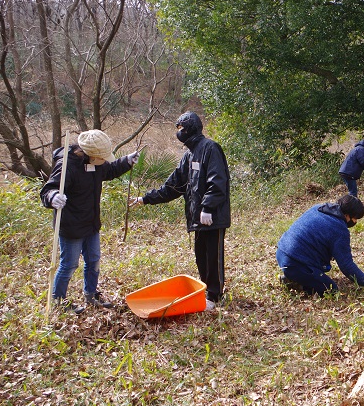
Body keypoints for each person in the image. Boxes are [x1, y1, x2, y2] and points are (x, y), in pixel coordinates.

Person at [129, 112, 231, 311]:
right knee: (201, 256)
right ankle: (207, 291)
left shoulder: (210, 148)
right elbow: (174, 186)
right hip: (197, 216)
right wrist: (145, 199)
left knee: (213, 256)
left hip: (213, 216)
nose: (180, 133)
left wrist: (208, 207)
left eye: (182, 129)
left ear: (192, 128)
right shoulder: (189, 155)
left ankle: (215, 295)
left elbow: (218, 181)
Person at [40, 130, 139, 313]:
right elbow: (48, 189)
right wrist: (53, 197)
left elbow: (110, 170)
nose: (104, 160)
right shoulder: (67, 166)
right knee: (69, 264)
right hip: (71, 226)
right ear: (90, 154)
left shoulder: (97, 164)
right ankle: (59, 302)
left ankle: (90, 294)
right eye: (101, 157)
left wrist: (126, 161)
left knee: (93, 260)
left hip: (91, 223)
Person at [276, 194, 364, 296]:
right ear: (347, 215)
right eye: (355, 218)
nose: (355, 221)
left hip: (281, 252)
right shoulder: (340, 229)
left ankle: (294, 276)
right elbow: (346, 265)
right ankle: (296, 282)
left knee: (316, 274)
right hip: (296, 263)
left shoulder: (318, 208)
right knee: (331, 291)